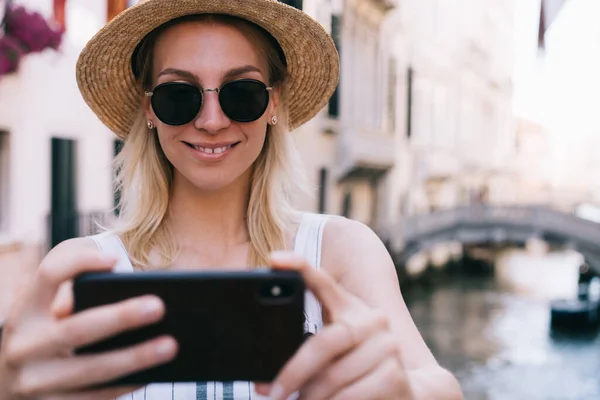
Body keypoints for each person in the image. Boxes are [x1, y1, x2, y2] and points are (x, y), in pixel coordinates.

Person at [0, 0, 463, 399]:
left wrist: (402, 388)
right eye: (178, 96)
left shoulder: (341, 251)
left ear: (274, 102)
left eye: (241, 93)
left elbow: (439, 386)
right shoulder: (83, 268)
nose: (212, 120)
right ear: (149, 110)